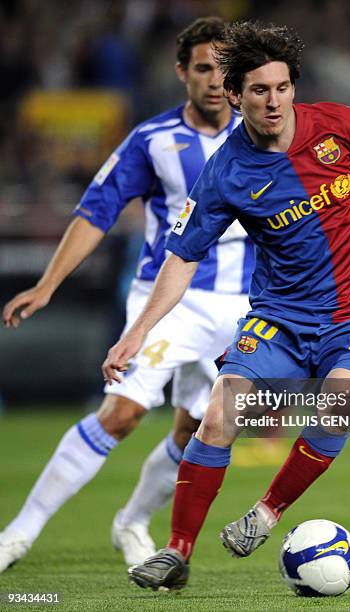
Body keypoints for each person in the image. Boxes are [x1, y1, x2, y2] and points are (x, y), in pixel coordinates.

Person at [101, 20, 350, 592]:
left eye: (283, 87)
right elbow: (183, 257)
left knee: (344, 399)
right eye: (259, 91)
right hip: (282, 317)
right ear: (235, 95)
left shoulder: (342, 123)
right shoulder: (225, 172)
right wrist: (137, 331)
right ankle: (176, 552)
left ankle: (266, 513)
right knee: (217, 415)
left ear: (295, 86)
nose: (274, 101)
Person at [0, 17, 253, 572]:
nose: (215, 80)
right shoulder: (152, 140)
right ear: (182, 72)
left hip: (240, 310)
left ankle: (132, 522)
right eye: (204, 68)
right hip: (167, 302)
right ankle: (18, 533)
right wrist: (48, 284)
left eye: (225, 70)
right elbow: (97, 210)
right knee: (122, 413)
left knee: (196, 433)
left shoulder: (260, 135)